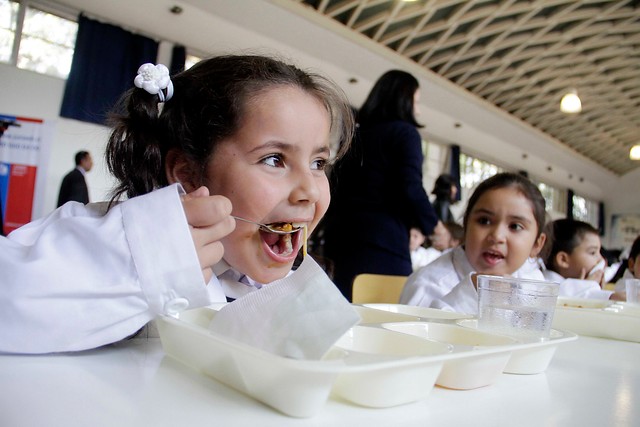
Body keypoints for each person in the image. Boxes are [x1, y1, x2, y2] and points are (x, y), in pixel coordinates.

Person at [0, 55, 354, 354]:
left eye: (318, 164)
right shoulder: (105, 238)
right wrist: (145, 257)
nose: (309, 190)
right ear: (186, 173)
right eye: (274, 159)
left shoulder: (272, 285)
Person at [323, 69, 439, 301]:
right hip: (383, 244)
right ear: (405, 100)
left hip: (340, 241)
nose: (418, 109)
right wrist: (435, 228)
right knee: (388, 318)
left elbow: (335, 186)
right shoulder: (406, 134)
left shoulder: (357, 135)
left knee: (344, 314)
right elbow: (410, 187)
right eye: (416, 101)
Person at [400, 172, 547, 314]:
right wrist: (471, 295)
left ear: (536, 245)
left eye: (515, 226)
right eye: (484, 221)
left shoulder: (533, 284)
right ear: (466, 225)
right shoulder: (428, 286)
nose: (497, 236)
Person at [541, 219, 623, 300]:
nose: (601, 259)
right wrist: (587, 286)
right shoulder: (548, 286)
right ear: (563, 260)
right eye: (593, 253)